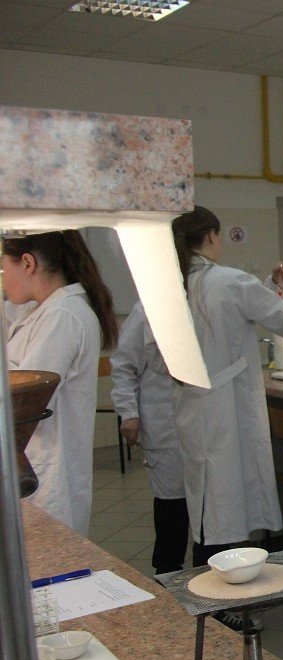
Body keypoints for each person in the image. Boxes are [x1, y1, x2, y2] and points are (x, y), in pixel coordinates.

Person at [170, 206, 283, 571]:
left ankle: (208, 576)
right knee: (224, 501)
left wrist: (268, 286)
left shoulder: (177, 283)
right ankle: (221, 583)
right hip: (224, 406)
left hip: (193, 404)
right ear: (211, 236)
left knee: (208, 503)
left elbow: (239, 310)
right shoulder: (228, 281)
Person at [3, 230, 118, 535]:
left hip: (46, 478)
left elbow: (24, 403)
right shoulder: (42, 310)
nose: (3, 280)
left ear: (28, 263)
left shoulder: (63, 315)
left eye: (3, 269)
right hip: (34, 466)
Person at [109, 300, 189, 574]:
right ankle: (167, 575)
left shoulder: (207, 297)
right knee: (172, 507)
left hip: (201, 423)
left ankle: (209, 582)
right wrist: (128, 413)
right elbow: (123, 364)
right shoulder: (148, 307)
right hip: (164, 421)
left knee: (207, 512)